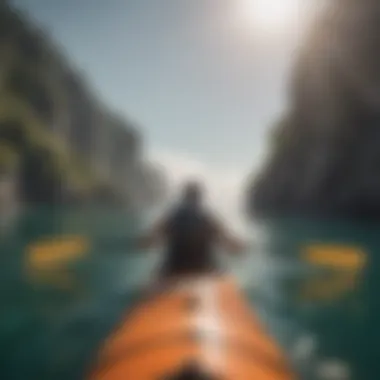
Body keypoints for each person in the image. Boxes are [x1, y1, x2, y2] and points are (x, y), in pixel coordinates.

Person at [138, 180, 247, 278]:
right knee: (222, 268)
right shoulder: (208, 218)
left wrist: (137, 244)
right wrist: (242, 248)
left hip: (173, 271)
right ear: (199, 198)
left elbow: (150, 240)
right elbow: (228, 243)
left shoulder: (172, 217)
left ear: (184, 197)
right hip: (204, 271)